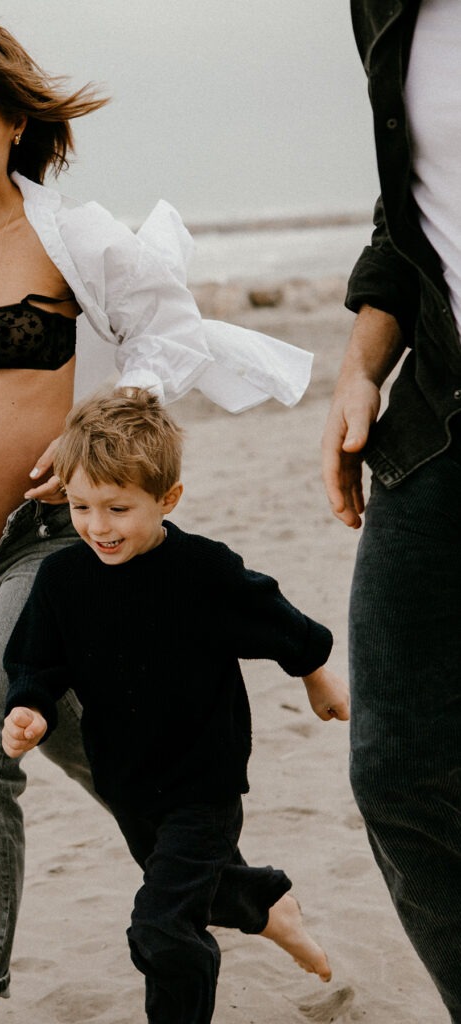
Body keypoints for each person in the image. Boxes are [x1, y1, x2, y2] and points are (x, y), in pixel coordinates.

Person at [0, 18, 316, 1024]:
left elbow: (161, 333)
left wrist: (95, 433)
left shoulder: (69, 235)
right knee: (90, 748)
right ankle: (242, 890)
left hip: (52, 544)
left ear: (12, 123)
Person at [3, 388, 349, 1024]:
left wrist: (315, 674)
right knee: (200, 893)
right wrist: (31, 707)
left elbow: (271, 616)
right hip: (128, 785)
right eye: (81, 507)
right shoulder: (63, 581)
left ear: (168, 499)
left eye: (118, 508)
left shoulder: (201, 571)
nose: (98, 526)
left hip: (203, 784)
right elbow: (36, 662)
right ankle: (267, 905)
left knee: (162, 929)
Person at [322, 2, 461, 1020]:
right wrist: (357, 370)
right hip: (441, 415)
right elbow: (406, 208)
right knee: (397, 768)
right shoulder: (385, 8)